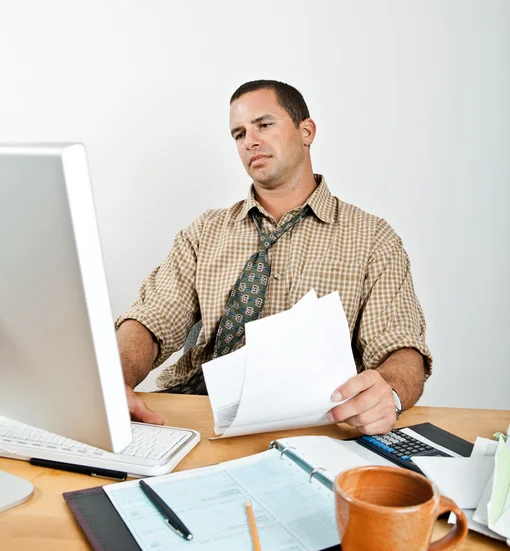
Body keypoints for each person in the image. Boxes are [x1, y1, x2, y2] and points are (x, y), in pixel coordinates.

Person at [115, 79, 432, 435]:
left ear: (306, 131)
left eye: (264, 125)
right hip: (195, 414)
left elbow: (401, 346)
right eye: (238, 133)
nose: (250, 140)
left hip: (313, 425)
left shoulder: (372, 238)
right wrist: (114, 381)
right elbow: (151, 318)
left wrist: (389, 391)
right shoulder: (206, 232)